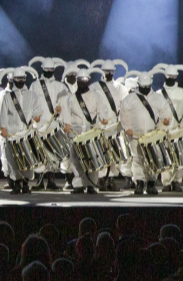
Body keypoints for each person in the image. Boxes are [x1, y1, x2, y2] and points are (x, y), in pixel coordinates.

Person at [60, 66, 115, 193]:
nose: (82, 83)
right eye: (80, 80)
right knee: (75, 159)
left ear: (88, 81)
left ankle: (91, 185)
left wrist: (103, 118)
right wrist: (66, 125)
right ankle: (79, 184)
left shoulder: (96, 96)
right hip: (76, 132)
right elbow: (67, 114)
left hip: (90, 131)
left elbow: (102, 110)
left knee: (92, 158)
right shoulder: (71, 98)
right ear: (77, 81)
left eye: (84, 80)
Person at [119, 71, 173, 195]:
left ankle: (151, 183)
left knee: (152, 159)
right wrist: (127, 128)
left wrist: (166, 121)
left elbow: (166, 112)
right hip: (135, 135)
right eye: (143, 87)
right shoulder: (130, 98)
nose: (145, 89)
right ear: (139, 85)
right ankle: (139, 182)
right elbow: (123, 113)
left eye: (147, 86)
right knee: (137, 159)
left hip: (151, 135)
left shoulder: (158, 98)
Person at [0, 67, 42, 194]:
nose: (20, 81)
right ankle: (16, 183)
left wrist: (37, 116)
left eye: (22, 79)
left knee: (27, 159)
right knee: (13, 160)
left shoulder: (31, 95)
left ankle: (25, 184)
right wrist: (3, 128)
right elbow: (3, 114)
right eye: (17, 79)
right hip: (12, 134)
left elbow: (37, 110)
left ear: (25, 79)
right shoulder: (8, 97)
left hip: (26, 132)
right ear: (13, 79)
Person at [91, 59, 131, 191]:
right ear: (103, 71)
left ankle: (110, 180)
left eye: (111, 71)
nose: (108, 73)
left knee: (114, 155)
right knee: (101, 154)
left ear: (114, 72)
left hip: (115, 126)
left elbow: (125, 107)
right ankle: (101, 179)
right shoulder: (94, 87)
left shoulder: (121, 88)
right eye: (107, 71)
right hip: (100, 127)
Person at [28, 57, 65, 191]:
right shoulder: (35, 85)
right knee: (39, 153)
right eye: (47, 70)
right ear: (42, 70)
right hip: (39, 125)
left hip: (53, 124)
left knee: (53, 153)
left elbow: (65, 102)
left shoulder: (60, 86)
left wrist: (61, 110)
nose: (49, 72)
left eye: (51, 70)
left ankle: (51, 181)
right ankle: (39, 181)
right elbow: (30, 103)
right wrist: (33, 117)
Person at [156, 63, 183, 192]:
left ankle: (176, 181)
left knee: (180, 156)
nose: (171, 77)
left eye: (173, 76)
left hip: (179, 129)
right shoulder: (158, 94)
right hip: (164, 131)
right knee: (165, 157)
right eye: (169, 76)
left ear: (176, 77)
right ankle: (166, 183)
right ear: (165, 77)